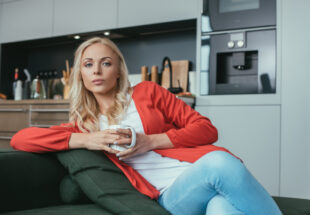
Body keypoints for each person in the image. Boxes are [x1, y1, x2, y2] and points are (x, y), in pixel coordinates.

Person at [11, 37, 281, 215]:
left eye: (106, 63)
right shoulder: (84, 125)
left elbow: (206, 129)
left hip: (197, 174)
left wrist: (150, 141)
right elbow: (20, 139)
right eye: (88, 65)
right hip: (169, 195)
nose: (96, 71)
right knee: (220, 162)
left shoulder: (147, 92)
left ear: (118, 71)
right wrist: (86, 141)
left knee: (222, 209)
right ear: (81, 74)